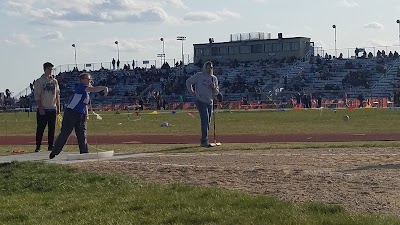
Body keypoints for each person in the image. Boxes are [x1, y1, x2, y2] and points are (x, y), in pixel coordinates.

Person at [49, 73, 109, 159]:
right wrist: (104, 88)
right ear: (82, 80)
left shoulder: (87, 93)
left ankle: (84, 153)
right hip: (71, 113)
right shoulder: (81, 87)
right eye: (87, 79)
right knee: (65, 133)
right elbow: (94, 89)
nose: (89, 81)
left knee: (82, 134)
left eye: (89, 79)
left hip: (81, 114)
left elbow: (85, 104)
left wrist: (86, 114)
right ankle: (54, 152)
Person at [186, 61, 221, 147]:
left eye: (211, 68)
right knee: (204, 119)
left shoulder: (214, 78)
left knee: (208, 121)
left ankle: (204, 138)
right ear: (205, 68)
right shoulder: (199, 76)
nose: (209, 70)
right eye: (208, 68)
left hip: (210, 101)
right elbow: (188, 82)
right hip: (200, 100)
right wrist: (192, 92)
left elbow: (216, 92)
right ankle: (204, 140)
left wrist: (214, 87)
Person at [33, 62, 60, 152]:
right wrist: (40, 107)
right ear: (44, 69)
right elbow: (37, 96)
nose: (51, 71)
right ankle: (38, 146)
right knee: (41, 128)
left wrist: (58, 107)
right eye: (49, 69)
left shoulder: (54, 81)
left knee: (51, 129)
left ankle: (51, 146)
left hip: (52, 107)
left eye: (52, 69)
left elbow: (57, 95)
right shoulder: (39, 81)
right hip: (43, 108)